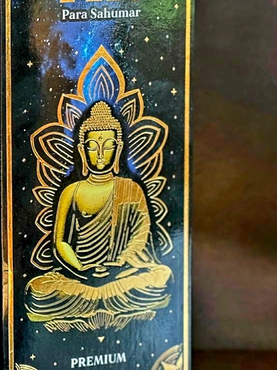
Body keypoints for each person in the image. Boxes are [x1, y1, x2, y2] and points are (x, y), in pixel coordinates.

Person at [26, 101, 172, 332]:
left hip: (121, 275)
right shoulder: (71, 191)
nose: (101, 154)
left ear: (119, 148)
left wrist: (120, 264)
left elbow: (140, 236)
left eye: (108, 146)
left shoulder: (131, 189)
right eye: (93, 147)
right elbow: (60, 242)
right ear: (82, 150)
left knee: (161, 277)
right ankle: (98, 298)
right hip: (80, 278)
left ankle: (98, 299)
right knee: (39, 289)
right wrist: (81, 268)